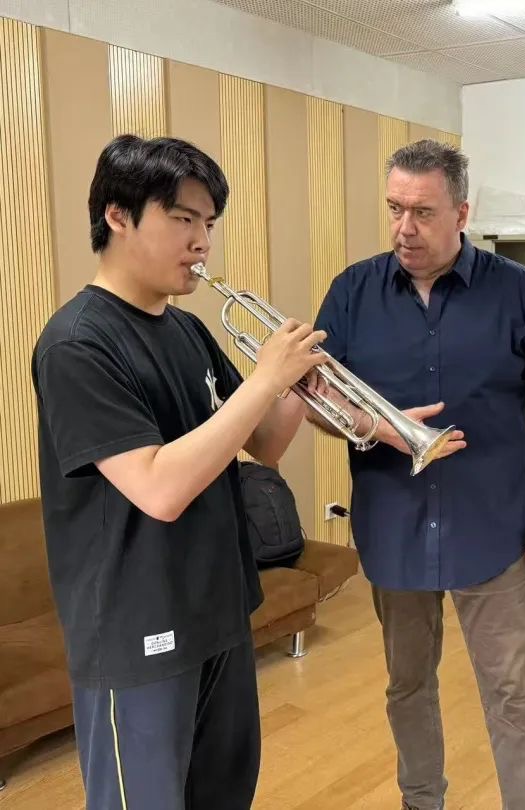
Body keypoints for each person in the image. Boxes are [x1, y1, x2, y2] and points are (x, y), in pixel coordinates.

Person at [31, 134, 328, 810]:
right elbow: (158, 489)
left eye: (209, 223)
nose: (202, 242)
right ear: (117, 215)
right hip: (138, 628)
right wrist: (266, 378)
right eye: (183, 219)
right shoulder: (77, 343)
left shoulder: (187, 330)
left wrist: (300, 387)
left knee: (224, 795)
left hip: (217, 610)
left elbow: (263, 442)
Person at [309, 139, 525, 810]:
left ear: (461, 213)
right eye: (394, 209)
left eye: (423, 212)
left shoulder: (516, 289)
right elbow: (317, 400)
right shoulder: (351, 291)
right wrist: (377, 427)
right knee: (407, 686)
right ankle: (421, 801)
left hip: (490, 528)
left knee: (511, 689)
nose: (404, 228)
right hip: (393, 527)